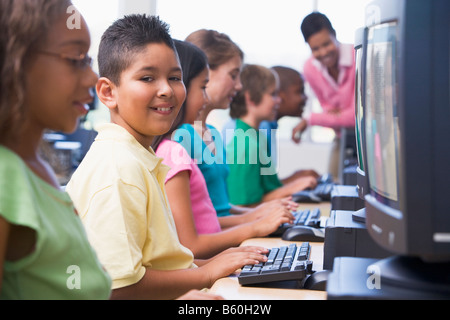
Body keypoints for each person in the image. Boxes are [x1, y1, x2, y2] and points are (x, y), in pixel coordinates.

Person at [66, 15, 268, 300]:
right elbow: (118, 287)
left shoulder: (139, 157)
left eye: (175, 78)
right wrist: (206, 274)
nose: (167, 90)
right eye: (147, 78)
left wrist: (214, 264)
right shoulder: (118, 169)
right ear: (108, 92)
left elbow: (161, 265)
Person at [0, 0, 112, 300]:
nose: (92, 78)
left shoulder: (37, 168)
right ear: (15, 59)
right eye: (76, 59)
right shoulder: (5, 176)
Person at [153, 40, 295, 259]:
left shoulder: (213, 134)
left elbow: (210, 209)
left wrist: (256, 216)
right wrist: (253, 222)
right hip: (210, 253)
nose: (239, 86)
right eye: (203, 86)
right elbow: (192, 239)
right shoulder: (176, 145)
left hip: (217, 249)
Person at [225, 64, 318, 208]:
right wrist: (291, 188)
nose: (279, 100)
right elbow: (243, 206)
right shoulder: (245, 144)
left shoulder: (257, 137)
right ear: (251, 99)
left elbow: (265, 191)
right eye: (273, 94)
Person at [298, 12, 356, 180]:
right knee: (334, 184)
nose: (323, 53)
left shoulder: (357, 55)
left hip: (366, 139)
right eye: (315, 49)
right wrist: (337, 116)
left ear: (335, 34)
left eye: (327, 44)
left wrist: (310, 119)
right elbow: (329, 109)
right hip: (341, 137)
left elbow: (355, 117)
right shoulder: (310, 68)